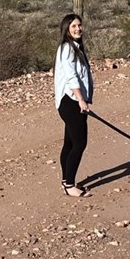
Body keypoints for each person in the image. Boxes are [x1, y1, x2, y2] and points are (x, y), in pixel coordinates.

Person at [53, 13, 94, 197]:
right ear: (67, 30)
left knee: (69, 143)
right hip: (71, 102)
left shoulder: (74, 47)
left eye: (79, 25)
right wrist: (81, 100)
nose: (78, 29)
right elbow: (72, 77)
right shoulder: (68, 48)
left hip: (70, 101)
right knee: (79, 143)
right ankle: (70, 185)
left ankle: (65, 181)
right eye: (73, 26)